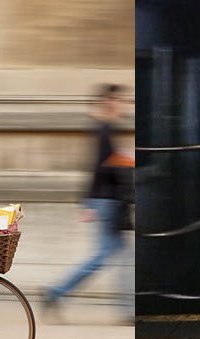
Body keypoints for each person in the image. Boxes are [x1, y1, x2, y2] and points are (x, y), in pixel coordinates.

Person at [45, 84, 130, 321]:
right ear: (107, 101)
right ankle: (56, 292)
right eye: (118, 99)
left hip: (107, 200)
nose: (122, 103)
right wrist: (87, 203)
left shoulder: (108, 129)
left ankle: (128, 309)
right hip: (106, 201)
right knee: (103, 255)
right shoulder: (104, 130)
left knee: (120, 253)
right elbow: (99, 168)